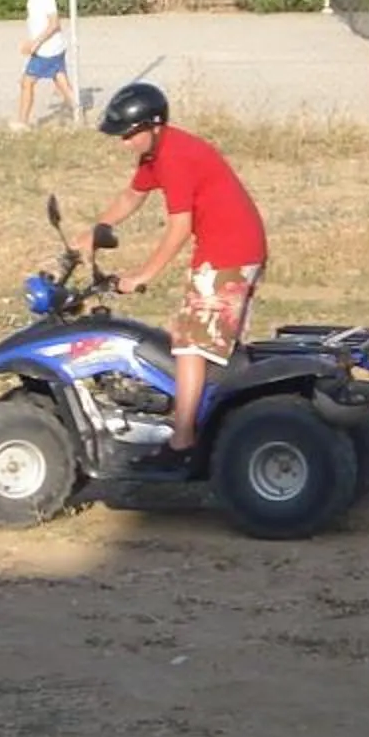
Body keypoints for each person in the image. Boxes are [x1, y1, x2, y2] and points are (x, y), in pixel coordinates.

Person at [84, 80, 266, 465]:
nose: (124, 142)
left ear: (153, 125)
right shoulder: (157, 154)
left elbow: (179, 227)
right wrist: (91, 234)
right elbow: (131, 196)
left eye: (130, 134)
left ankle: (182, 441)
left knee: (189, 346)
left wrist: (142, 275)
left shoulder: (175, 157)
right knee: (190, 340)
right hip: (222, 248)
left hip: (229, 251)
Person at [13, 0, 79, 129]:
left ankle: (22, 122)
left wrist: (35, 43)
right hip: (54, 48)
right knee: (60, 80)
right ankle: (78, 112)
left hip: (46, 50)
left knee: (26, 83)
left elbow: (54, 23)